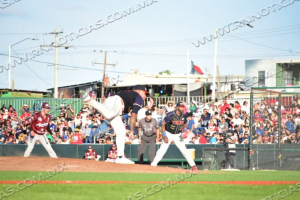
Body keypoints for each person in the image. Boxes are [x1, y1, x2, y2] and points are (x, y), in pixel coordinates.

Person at [82, 85, 149, 164]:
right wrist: (131, 131)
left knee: (121, 132)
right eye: (145, 94)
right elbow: (134, 114)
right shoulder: (138, 96)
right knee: (108, 114)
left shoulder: (127, 93)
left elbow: (106, 95)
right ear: (139, 91)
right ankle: (89, 100)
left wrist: (106, 105)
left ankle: (120, 157)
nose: (145, 96)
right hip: (117, 103)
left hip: (116, 107)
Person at [150, 102, 197, 171]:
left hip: (177, 134)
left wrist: (183, 129)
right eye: (181, 107)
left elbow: (185, 124)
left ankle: (193, 166)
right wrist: (165, 136)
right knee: (162, 149)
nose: (182, 108)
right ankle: (153, 165)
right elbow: (163, 124)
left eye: (183, 107)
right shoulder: (170, 114)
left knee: (184, 150)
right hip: (168, 133)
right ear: (177, 107)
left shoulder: (184, 116)